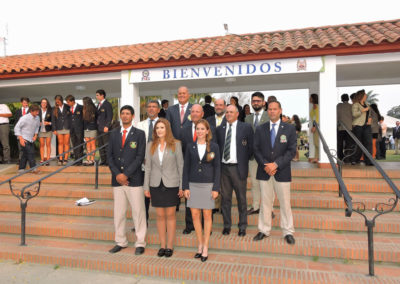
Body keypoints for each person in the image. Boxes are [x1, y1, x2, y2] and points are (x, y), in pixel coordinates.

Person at [253, 101, 297, 245]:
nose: (272, 111)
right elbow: (256, 149)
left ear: (280, 110)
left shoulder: (289, 129)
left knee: (285, 203)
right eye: (270, 109)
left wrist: (276, 164)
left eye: (274, 109)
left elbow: (291, 151)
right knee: (265, 203)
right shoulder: (260, 129)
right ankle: (264, 230)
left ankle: (288, 231)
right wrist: (266, 164)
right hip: (264, 171)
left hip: (282, 171)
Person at [108, 105, 146, 256]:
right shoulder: (113, 134)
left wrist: (126, 174)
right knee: (119, 213)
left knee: (138, 212)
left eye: (127, 114)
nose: (125, 116)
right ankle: (120, 241)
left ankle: (140, 242)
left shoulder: (139, 134)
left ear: (133, 116)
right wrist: (118, 174)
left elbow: (139, 157)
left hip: (134, 180)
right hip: (117, 180)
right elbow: (109, 156)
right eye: (122, 113)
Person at [143, 118, 183, 258]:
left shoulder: (176, 145)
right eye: (157, 128)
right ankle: (162, 245)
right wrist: (146, 187)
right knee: (159, 216)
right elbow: (147, 167)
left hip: (172, 184)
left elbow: (181, 166)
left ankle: (170, 246)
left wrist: (182, 186)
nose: (159, 130)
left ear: (167, 129)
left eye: (162, 127)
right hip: (155, 184)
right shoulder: (150, 145)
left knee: (171, 215)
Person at [183, 119, 220, 262]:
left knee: (207, 215)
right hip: (193, 184)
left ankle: (206, 246)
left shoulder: (214, 147)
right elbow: (186, 168)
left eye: (202, 129)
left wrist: (216, 187)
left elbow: (217, 168)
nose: (199, 131)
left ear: (207, 131)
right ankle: (200, 244)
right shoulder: (190, 146)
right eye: (197, 129)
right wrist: (185, 186)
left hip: (208, 185)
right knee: (195, 216)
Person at [216, 105, 253, 237]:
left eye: (231, 112)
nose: (229, 114)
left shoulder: (246, 128)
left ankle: (242, 226)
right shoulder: (220, 129)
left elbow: (250, 147)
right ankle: (227, 226)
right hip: (224, 169)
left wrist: (243, 161)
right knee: (225, 199)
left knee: (241, 199)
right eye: (227, 112)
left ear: (237, 114)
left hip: (238, 168)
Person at [136, 100, 161, 224]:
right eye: (149, 107)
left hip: (160, 166)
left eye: (154, 107)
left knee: (159, 195)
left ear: (159, 109)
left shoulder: (164, 124)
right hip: (143, 165)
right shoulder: (139, 125)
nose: (151, 109)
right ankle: (143, 222)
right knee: (143, 197)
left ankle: (162, 223)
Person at [245, 92, 269, 216]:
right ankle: (255, 206)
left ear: (263, 102)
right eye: (253, 101)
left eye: (258, 101)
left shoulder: (269, 116)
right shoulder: (247, 118)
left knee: (266, 184)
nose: (256, 103)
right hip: (252, 157)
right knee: (254, 183)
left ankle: (268, 209)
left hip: (266, 157)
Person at [14, 104, 41, 174]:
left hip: (31, 139)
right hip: (23, 138)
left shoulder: (37, 118)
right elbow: (16, 128)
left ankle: (21, 169)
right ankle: (34, 168)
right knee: (31, 152)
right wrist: (20, 139)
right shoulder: (24, 118)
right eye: (36, 111)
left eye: (38, 111)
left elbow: (37, 127)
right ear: (31, 111)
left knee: (25, 154)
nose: (37, 113)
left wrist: (35, 135)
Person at [351, 90, 373, 165]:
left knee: (368, 143)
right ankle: (355, 159)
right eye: (365, 95)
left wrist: (369, 120)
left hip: (367, 126)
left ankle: (369, 161)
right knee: (358, 143)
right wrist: (363, 110)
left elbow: (369, 114)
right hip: (358, 126)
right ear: (361, 96)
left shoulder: (367, 104)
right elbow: (354, 114)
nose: (366, 96)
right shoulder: (356, 105)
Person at [52, 95, 71, 166]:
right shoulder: (54, 108)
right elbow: (53, 120)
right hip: (59, 128)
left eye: (58, 101)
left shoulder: (67, 107)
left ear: (61, 100)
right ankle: (60, 159)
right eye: (56, 102)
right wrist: (54, 129)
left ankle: (65, 159)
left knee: (66, 143)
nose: (57, 103)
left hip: (67, 127)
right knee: (60, 143)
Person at [96, 89, 113, 166]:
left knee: (106, 145)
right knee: (100, 145)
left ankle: (108, 161)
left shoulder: (107, 104)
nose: (96, 96)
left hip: (105, 128)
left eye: (97, 95)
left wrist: (107, 126)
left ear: (102, 95)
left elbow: (110, 116)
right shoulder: (98, 105)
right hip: (99, 128)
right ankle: (103, 160)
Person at [66, 95, 84, 166]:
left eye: (68, 102)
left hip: (79, 129)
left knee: (79, 145)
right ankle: (76, 160)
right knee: (74, 145)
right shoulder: (69, 108)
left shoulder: (81, 107)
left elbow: (83, 119)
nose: (68, 103)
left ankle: (80, 160)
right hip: (72, 129)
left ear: (72, 101)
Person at [336, 94, 353, 163]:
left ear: (341, 99)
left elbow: (336, 116)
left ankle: (340, 157)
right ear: (348, 99)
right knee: (348, 144)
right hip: (349, 128)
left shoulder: (338, 106)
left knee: (339, 144)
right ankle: (347, 158)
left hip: (340, 127)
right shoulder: (351, 106)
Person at [14, 97, 30, 161]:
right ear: (21, 103)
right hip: (20, 132)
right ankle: (21, 159)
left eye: (26, 103)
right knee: (20, 147)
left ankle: (29, 159)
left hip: (28, 131)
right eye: (24, 103)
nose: (25, 104)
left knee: (28, 147)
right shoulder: (18, 111)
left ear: (28, 103)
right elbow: (16, 122)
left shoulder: (30, 111)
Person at [38, 98, 52, 165]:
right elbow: (34, 119)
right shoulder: (38, 111)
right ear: (41, 103)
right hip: (40, 130)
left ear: (47, 104)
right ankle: (42, 159)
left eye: (45, 103)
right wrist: (38, 123)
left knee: (48, 145)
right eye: (42, 102)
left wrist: (49, 123)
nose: (44, 104)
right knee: (42, 145)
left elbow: (53, 121)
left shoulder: (50, 111)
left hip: (48, 130)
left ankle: (48, 160)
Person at [309, 94, 319, 163]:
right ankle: (316, 157)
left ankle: (317, 158)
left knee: (317, 142)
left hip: (317, 126)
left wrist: (315, 126)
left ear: (313, 98)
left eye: (310, 98)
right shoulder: (314, 106)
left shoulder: (316, 106)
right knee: (316, 143)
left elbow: (317, 117)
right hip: (316, 125)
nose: (309, 99)